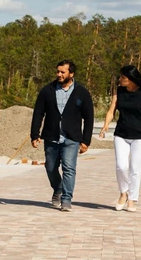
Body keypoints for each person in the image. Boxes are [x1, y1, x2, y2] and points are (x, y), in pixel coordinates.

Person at [30, 60, 95, 212]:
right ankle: (58, 188)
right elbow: (38, 113)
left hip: (72, 138)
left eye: (62, 72)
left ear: (71, 74)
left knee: (69, 168)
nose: (59, 74)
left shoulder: (82, 93)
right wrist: (35, 134)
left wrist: (86, 140)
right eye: (58, 71)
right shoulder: (47, 90)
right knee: (50, 167)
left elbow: (89, 118)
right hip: (51, 136)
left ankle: (66, 199)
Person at [99, 65, 141, 212]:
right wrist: (105, 125)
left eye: (123, 78)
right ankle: (123, 193)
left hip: (140, 136)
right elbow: (111, 110)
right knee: (121, 166)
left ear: (131, 79)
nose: (120, 80)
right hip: (121, 134)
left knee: (135, 167)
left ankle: (132, 199)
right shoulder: (118, 91)